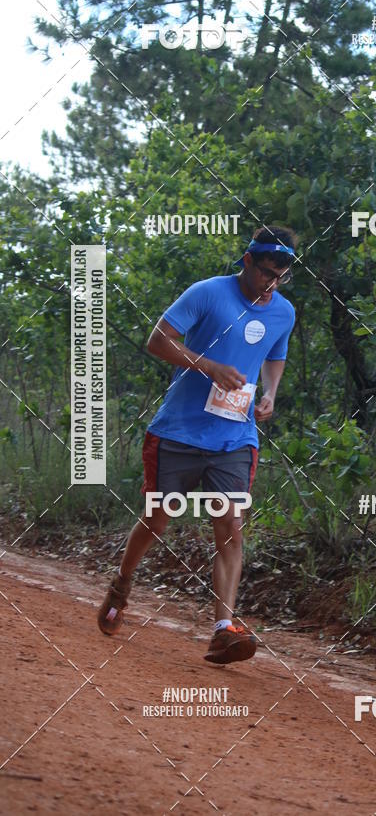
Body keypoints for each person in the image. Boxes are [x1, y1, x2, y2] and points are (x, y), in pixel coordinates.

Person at [97, 225, 297, 664]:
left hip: (235, 436)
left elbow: (276, 354)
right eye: (265, 272)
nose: (271, 283)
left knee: (229, 525)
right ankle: (122, 583)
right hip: (179, 432)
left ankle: (223, 628)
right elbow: (158, 340)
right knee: (157, 520)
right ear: (247, 261)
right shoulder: (207, 293)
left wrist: (270, 393)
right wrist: (208, 366)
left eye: (280, 276)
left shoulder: (283, 312)